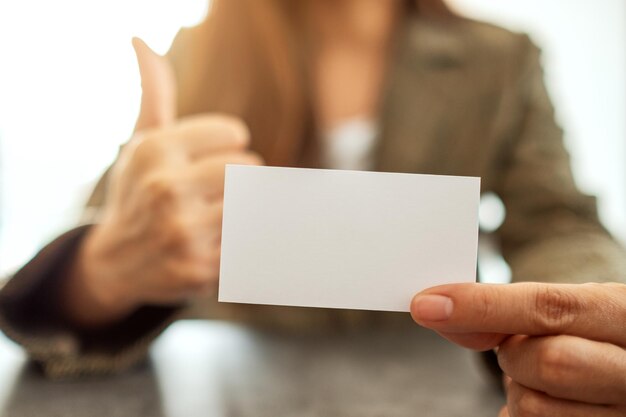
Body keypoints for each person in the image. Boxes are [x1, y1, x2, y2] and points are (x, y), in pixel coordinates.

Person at [0, 0, 625, 415]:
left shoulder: (501, 60)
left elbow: (558, 219)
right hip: (234, 393)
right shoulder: (203, 48)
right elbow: (120, 222)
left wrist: (572, 319)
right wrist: (104, 270)